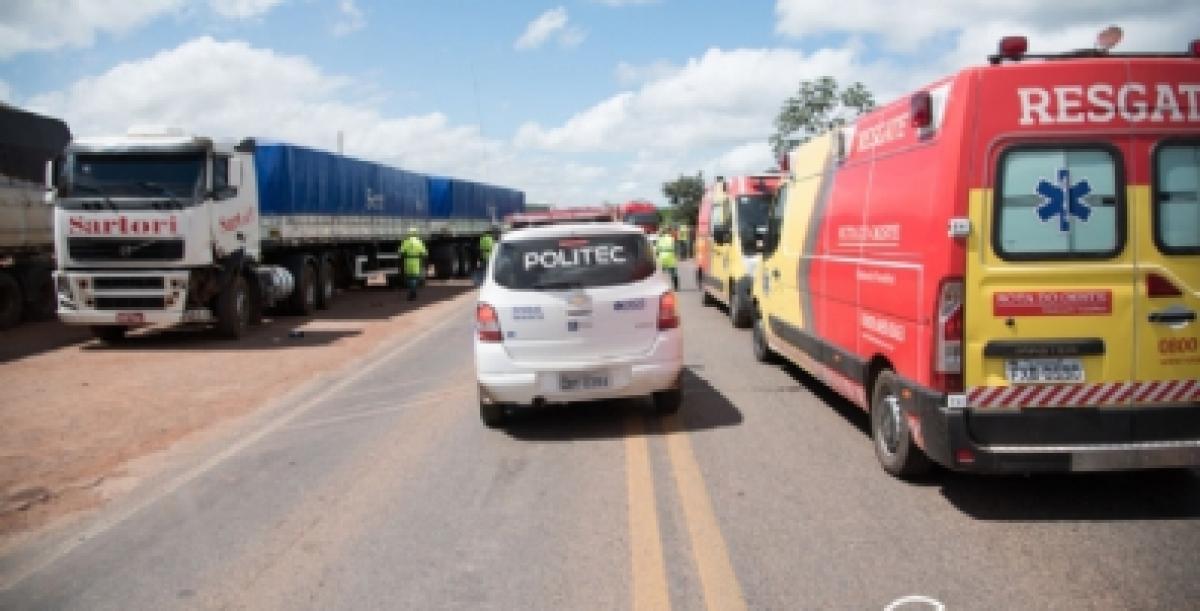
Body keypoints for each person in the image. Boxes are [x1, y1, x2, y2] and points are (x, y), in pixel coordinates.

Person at [399, 227, 427, 300]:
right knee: (415, 277)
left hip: (408, 261)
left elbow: (401, 252)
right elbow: (424, 253)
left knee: (409, 277)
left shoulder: (406, 242)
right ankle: (413, 292)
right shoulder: (419, 242)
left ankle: (411, 292)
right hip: (416, 261)